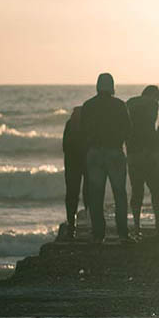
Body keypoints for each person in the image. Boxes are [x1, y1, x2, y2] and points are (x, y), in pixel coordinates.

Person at [81, 73, 134, 244]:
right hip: (114, 151)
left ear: (97, 86)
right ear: (112, 86)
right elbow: (128, 129)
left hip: (95, 151)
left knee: (96, 194)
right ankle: (123, 234)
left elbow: (83, 129)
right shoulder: (119, 105)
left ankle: (98, 234)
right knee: (120, 194)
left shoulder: (88, 105)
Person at [126, 85, 159, 236]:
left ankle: (136, 226)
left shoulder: (129, 103)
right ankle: (157, 224)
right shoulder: (152, 104)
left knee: (137, 190)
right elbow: (149, 127)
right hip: (149, 153)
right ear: (153, 95)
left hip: (133, 152)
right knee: (156, 190)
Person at [62, 106, 88, 239]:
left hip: (71, 164)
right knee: (88, 192)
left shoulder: (70, 124)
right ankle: (88, 220)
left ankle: (71, 224)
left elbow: (64, 146)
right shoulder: (87, 124)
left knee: (72, 195)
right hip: (85, 163)